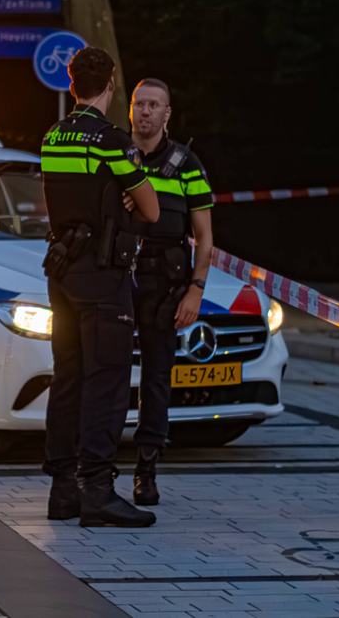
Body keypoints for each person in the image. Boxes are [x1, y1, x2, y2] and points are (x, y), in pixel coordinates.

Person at [40, 47, 161, 528]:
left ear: (71, 86)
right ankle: (98, 490)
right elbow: (150, 209)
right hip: (102, 274)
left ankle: (62, 489)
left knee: (66, 378)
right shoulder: (110, 139)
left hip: (62, 271)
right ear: (110, 86)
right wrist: (126, 197)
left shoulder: (52, 136)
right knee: (106, 380)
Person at [125, 78, 214, 506]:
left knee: (157, 378)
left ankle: (146, 469)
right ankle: (98, 466)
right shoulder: (113, 156)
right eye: (139, 104)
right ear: (129, 110)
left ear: (166, 115)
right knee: (107, 374)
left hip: (165, 284)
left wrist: (195, 291)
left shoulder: (186, 164)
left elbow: (204, 237)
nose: (145, 112)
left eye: (153, 105)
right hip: (118, 279)